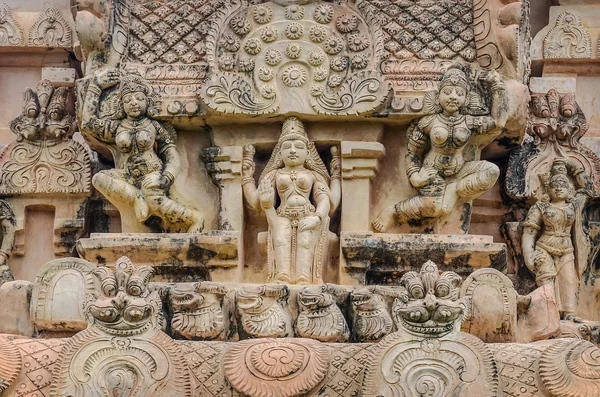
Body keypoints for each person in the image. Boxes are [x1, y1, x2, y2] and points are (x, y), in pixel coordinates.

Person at [373, 65, 505, 232]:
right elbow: (412, 152)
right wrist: (415, 176)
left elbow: (497, 123)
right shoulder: (428, 122)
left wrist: (497, 87)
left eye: (459, 93)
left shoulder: (468, 121)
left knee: (492, 171)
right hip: (432, 172)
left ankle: (454, 189)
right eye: (448, 92)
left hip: (459, 172)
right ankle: (393, 211)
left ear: (466, 98)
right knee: (435, 208)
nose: (453, 97)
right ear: (438, 96)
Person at [81, 68, 203, 232]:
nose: (133, 103)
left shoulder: (154, 126)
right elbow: (89, 124)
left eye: (139, 98)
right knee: (98, 178)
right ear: (121, 105)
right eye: (127, 100)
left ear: (147, 101)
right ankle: (135, 197)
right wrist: (95, 86)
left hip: (152, 173)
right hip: (127, 176)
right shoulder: (117, 127)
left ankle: (194, 219)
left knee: (155, 201)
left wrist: (167, 176)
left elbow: (171, 154)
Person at [241, 117, 340, 284]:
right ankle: (282, 276)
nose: (293, 150)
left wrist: (317, 217)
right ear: (279, 153)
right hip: (281, 214)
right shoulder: (274, 175)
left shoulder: (312, 175)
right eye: (287, 147)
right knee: (280, 236)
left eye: (299, 146)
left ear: (308, 153)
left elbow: (326, 200)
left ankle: (304, 277)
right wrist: (247, 178)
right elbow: (254, 200)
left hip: (307, 214)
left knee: (306, 239)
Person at [522, 158, 591, 322]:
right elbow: (530, 231)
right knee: (547, 282)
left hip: (567, 249)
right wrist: (528, 255)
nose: (559, 188)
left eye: (563, 185)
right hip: (544, 248)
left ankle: (569, 316)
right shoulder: (540, 207)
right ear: (548, 189)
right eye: (554, 185)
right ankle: (548, 316)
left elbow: (588, 187)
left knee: (569, 281)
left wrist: (572, 166)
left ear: (570, 190)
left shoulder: (574, 205)